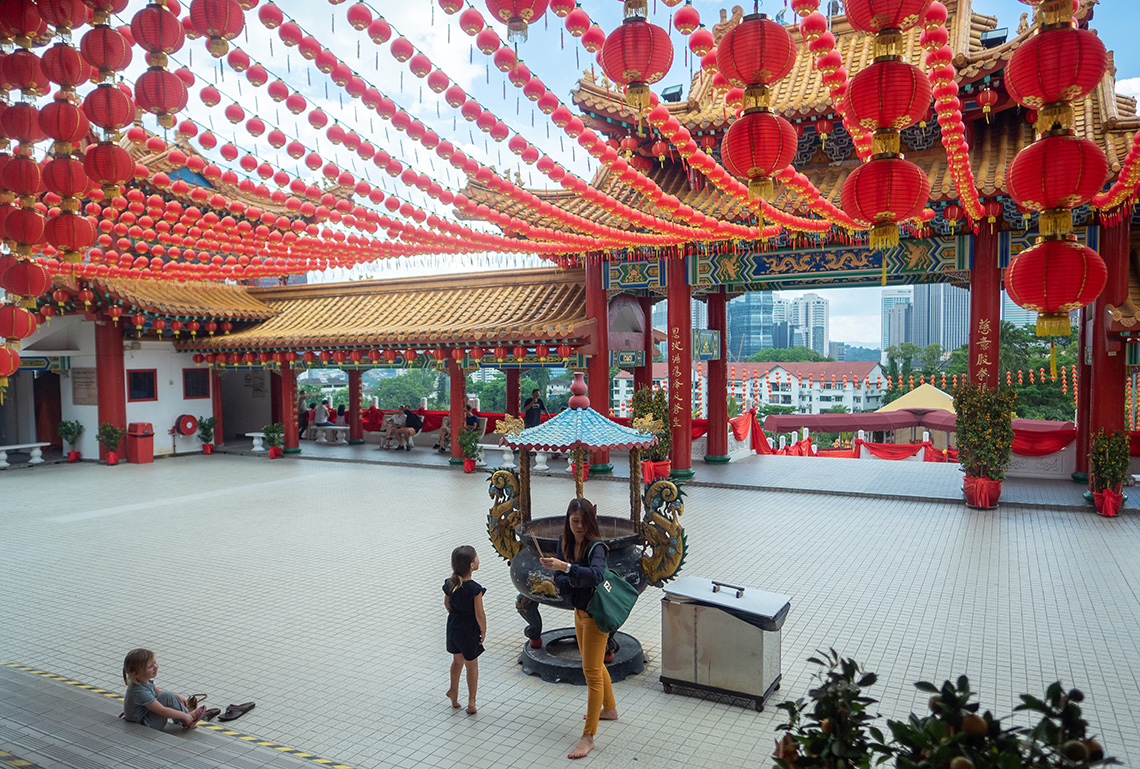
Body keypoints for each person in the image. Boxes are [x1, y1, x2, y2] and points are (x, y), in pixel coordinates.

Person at [539, 498, 617, 759]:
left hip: (595, 614)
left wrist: (566, 568)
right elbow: (560, 580)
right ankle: (610, 709)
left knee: (591, 672)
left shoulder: (597, 547)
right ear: (568, 521)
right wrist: (565, 573)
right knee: (592, 663)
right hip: (579, 611)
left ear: (591, 522)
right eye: (574, 521)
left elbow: (596, 575)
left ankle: (588, 736)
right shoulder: (565, 543)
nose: (579, 526)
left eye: (584, 522)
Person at [443, 545, 486, 715]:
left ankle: (453, 691)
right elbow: (480, 613)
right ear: (471, 565)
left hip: (453, 627)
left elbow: (447, 603)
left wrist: (455, 615)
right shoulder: (475, 589)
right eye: (476, 557)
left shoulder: (450, 583)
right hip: (469, 630)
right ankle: (472, 701)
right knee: (471, 666)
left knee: (457, 661)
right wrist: (483, 630)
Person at [122, 648, 205, 731]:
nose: (155, 666)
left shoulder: (144, 681)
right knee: (166, 696)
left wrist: (176, 696)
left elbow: (159, 692)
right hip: (145, 725)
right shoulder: (139, 691)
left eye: (154, 662)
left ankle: (186, 718)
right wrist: (183, 716)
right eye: (150, 666)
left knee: (167, 695)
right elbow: (162, 710)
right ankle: (188, 718)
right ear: (136, 674)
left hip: (146, 718)